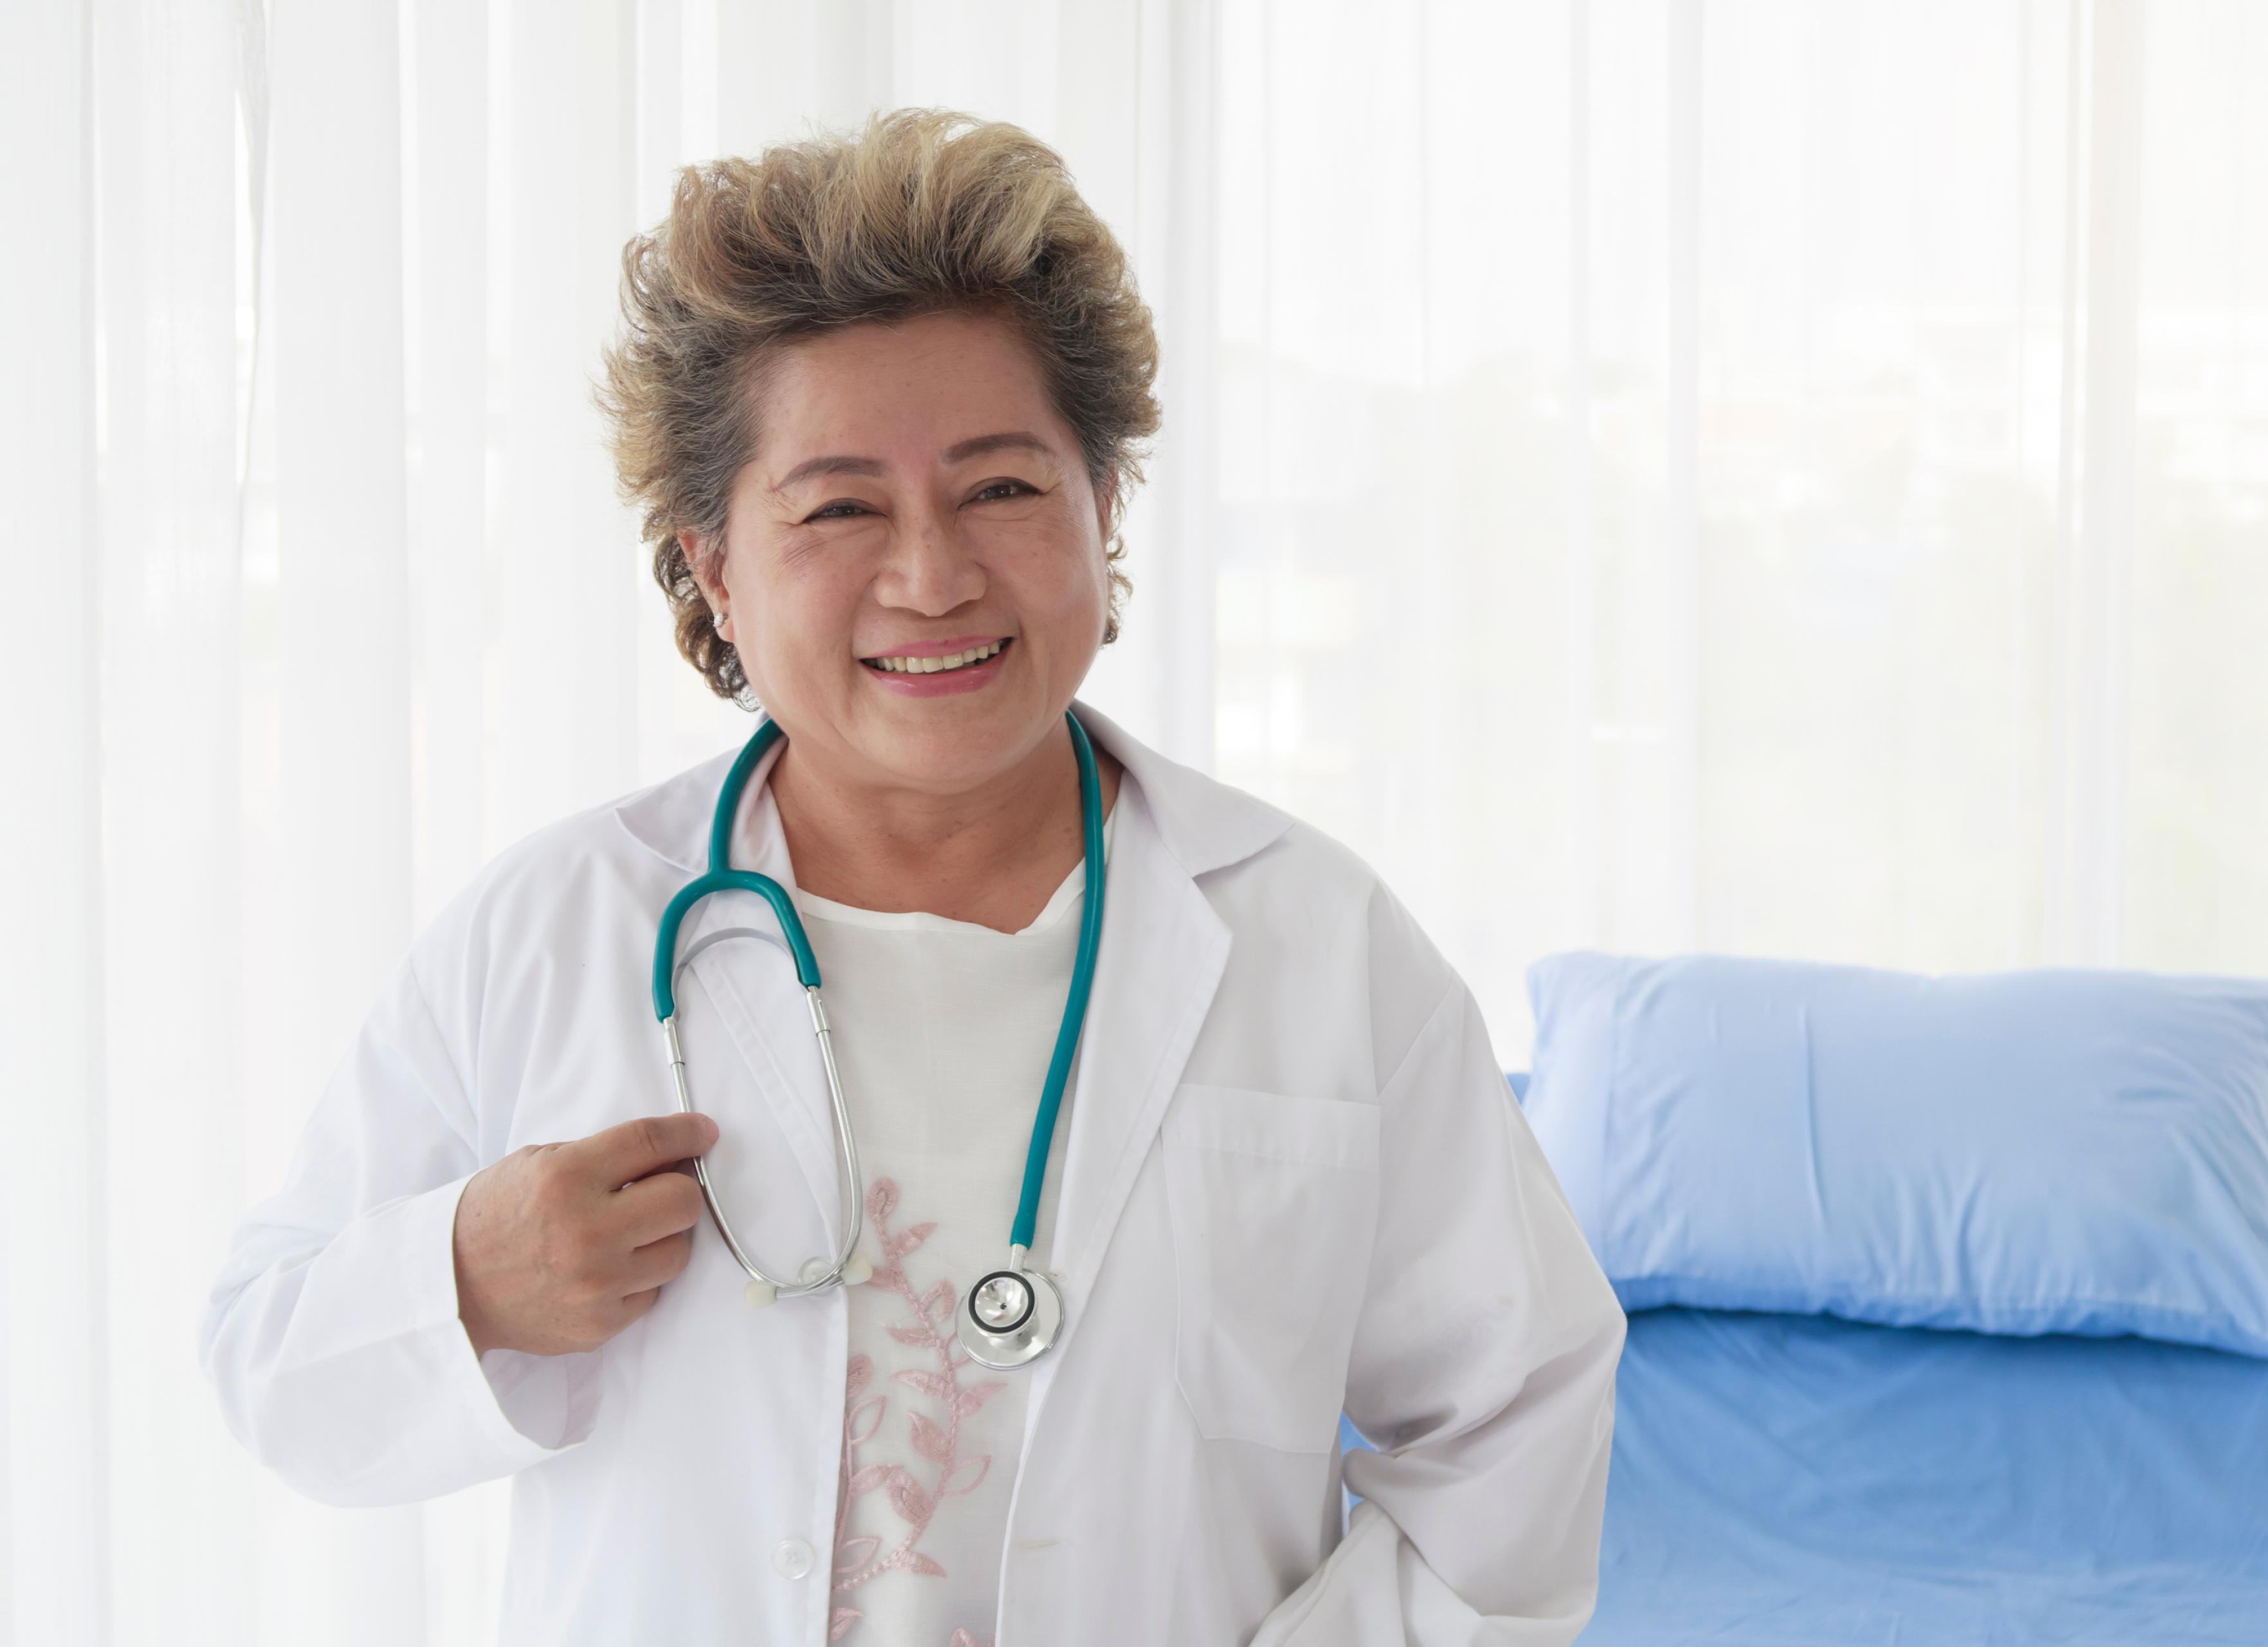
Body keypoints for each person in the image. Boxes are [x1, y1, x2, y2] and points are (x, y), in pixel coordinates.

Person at [199, 106, 1624, 1646]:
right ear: (717, 568)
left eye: (1005, 487)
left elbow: (1520, 1412)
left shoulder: (1315, 940)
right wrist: (464, 1280)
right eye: (838, 509)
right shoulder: (555, 928)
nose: (934, 573)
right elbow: (268, 1358)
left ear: (1105, 509)